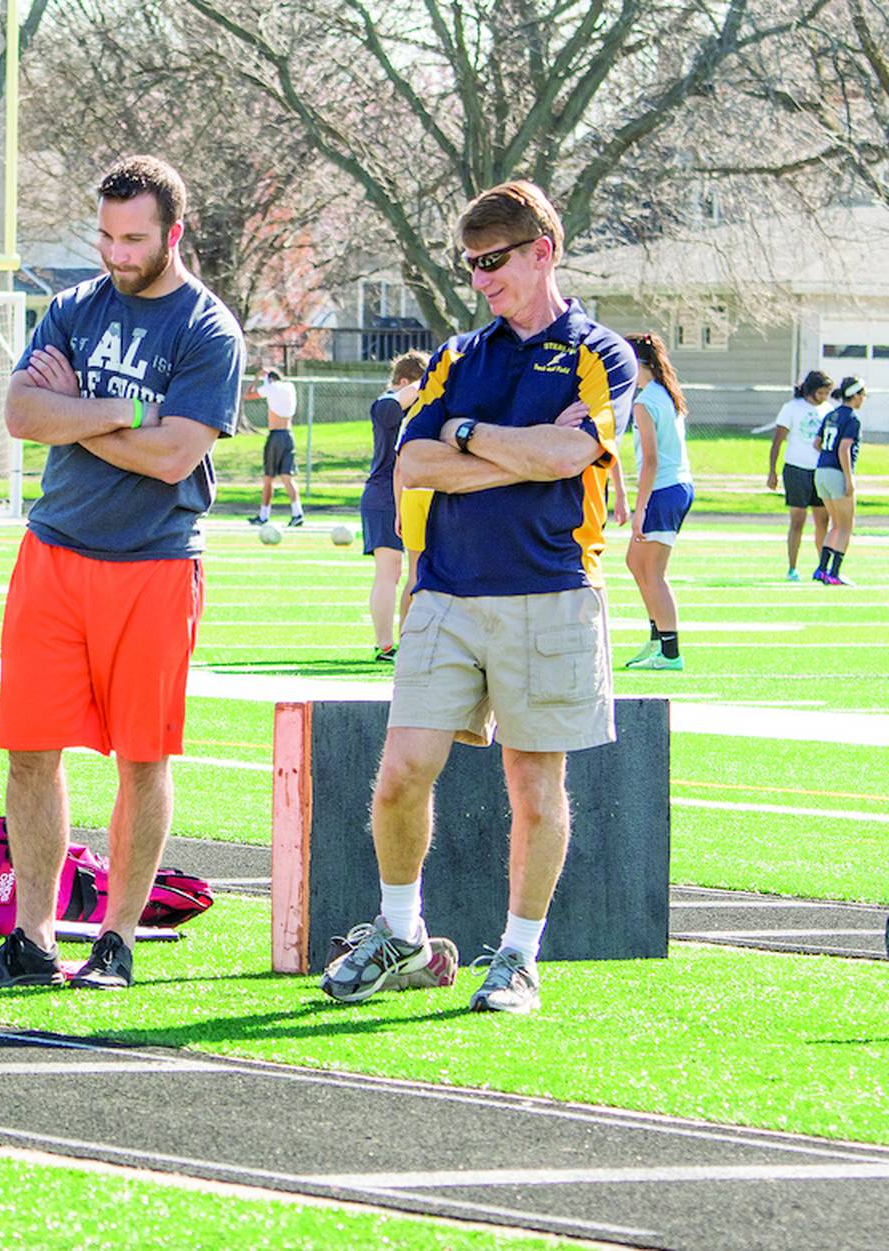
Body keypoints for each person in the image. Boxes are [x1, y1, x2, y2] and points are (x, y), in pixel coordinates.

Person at [320, 180, 634, 1016]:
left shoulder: (601, 352)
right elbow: (412, 464)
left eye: (494, 262)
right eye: (472, 266)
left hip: (552, 592)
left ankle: (519, 955)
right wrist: (504, 447)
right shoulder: (461, 354)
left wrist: (473, 437)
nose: (482, 279)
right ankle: (402, 934)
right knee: (399, 776)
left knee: (535, 790)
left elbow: (574, 454)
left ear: (544, 251)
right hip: (449, 593)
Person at [0, 155, 243, 993]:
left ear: (173, 234)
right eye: (106, 235)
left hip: (153, 564)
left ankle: (114, 941)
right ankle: (32, 941)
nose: (114, 252)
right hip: (54, 554)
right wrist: (123, 411)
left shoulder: (208, 328)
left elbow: (175, 454)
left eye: (133, 238)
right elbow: (23, 411)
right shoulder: (73, 306)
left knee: (142, 760)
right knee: (29, 752)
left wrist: (79, 418)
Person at [620, 333, 694, 671]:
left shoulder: (646, 400)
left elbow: (650, 461)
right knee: (636, 562)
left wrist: (640, 508)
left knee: (653, 571)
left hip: (664, 490)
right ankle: (656, 636)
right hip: (674, 487)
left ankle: (670, 651)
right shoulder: (662, 393)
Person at [361, 350, 428, 662]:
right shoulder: (386, 405)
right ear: (404, 382)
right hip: (384, 496)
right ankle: (385, 644)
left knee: (409, 570)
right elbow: (390, 404)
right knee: (389, 572)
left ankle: (405, 640)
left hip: (406, 493)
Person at [768, 370, 833, 581]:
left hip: (820, 471)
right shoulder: (792, 408)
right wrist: (772, 470)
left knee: (823, 520)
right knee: (798, 520)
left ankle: (822, 567)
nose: (824, 397)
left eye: (827, 393)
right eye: (821, 392)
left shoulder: (828, 410)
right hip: (796, 469)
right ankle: (792, 568)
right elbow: (777, 440)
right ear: (811, 390)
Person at [813, 376, 866, 586]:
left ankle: (821, 569)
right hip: (836, 472)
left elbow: (817, 443)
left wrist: (829, 457)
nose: (863, 399)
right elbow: (844, 449)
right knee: (845, 526)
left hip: (821, 470)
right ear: (853, 395)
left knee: (835, 525)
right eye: (861, 395)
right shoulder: (852, 418)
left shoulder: (830, 414)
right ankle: (834, 572)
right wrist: (849, 478)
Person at [245, 368, 303, 527]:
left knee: (268, 478)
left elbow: (248, 395)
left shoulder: (270, 388)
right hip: (288, 436)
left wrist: (257, 378)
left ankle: (264, 516)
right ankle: (297, 513)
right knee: (287, 477)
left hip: (275, 436)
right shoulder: (289, 387)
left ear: (269, 379)